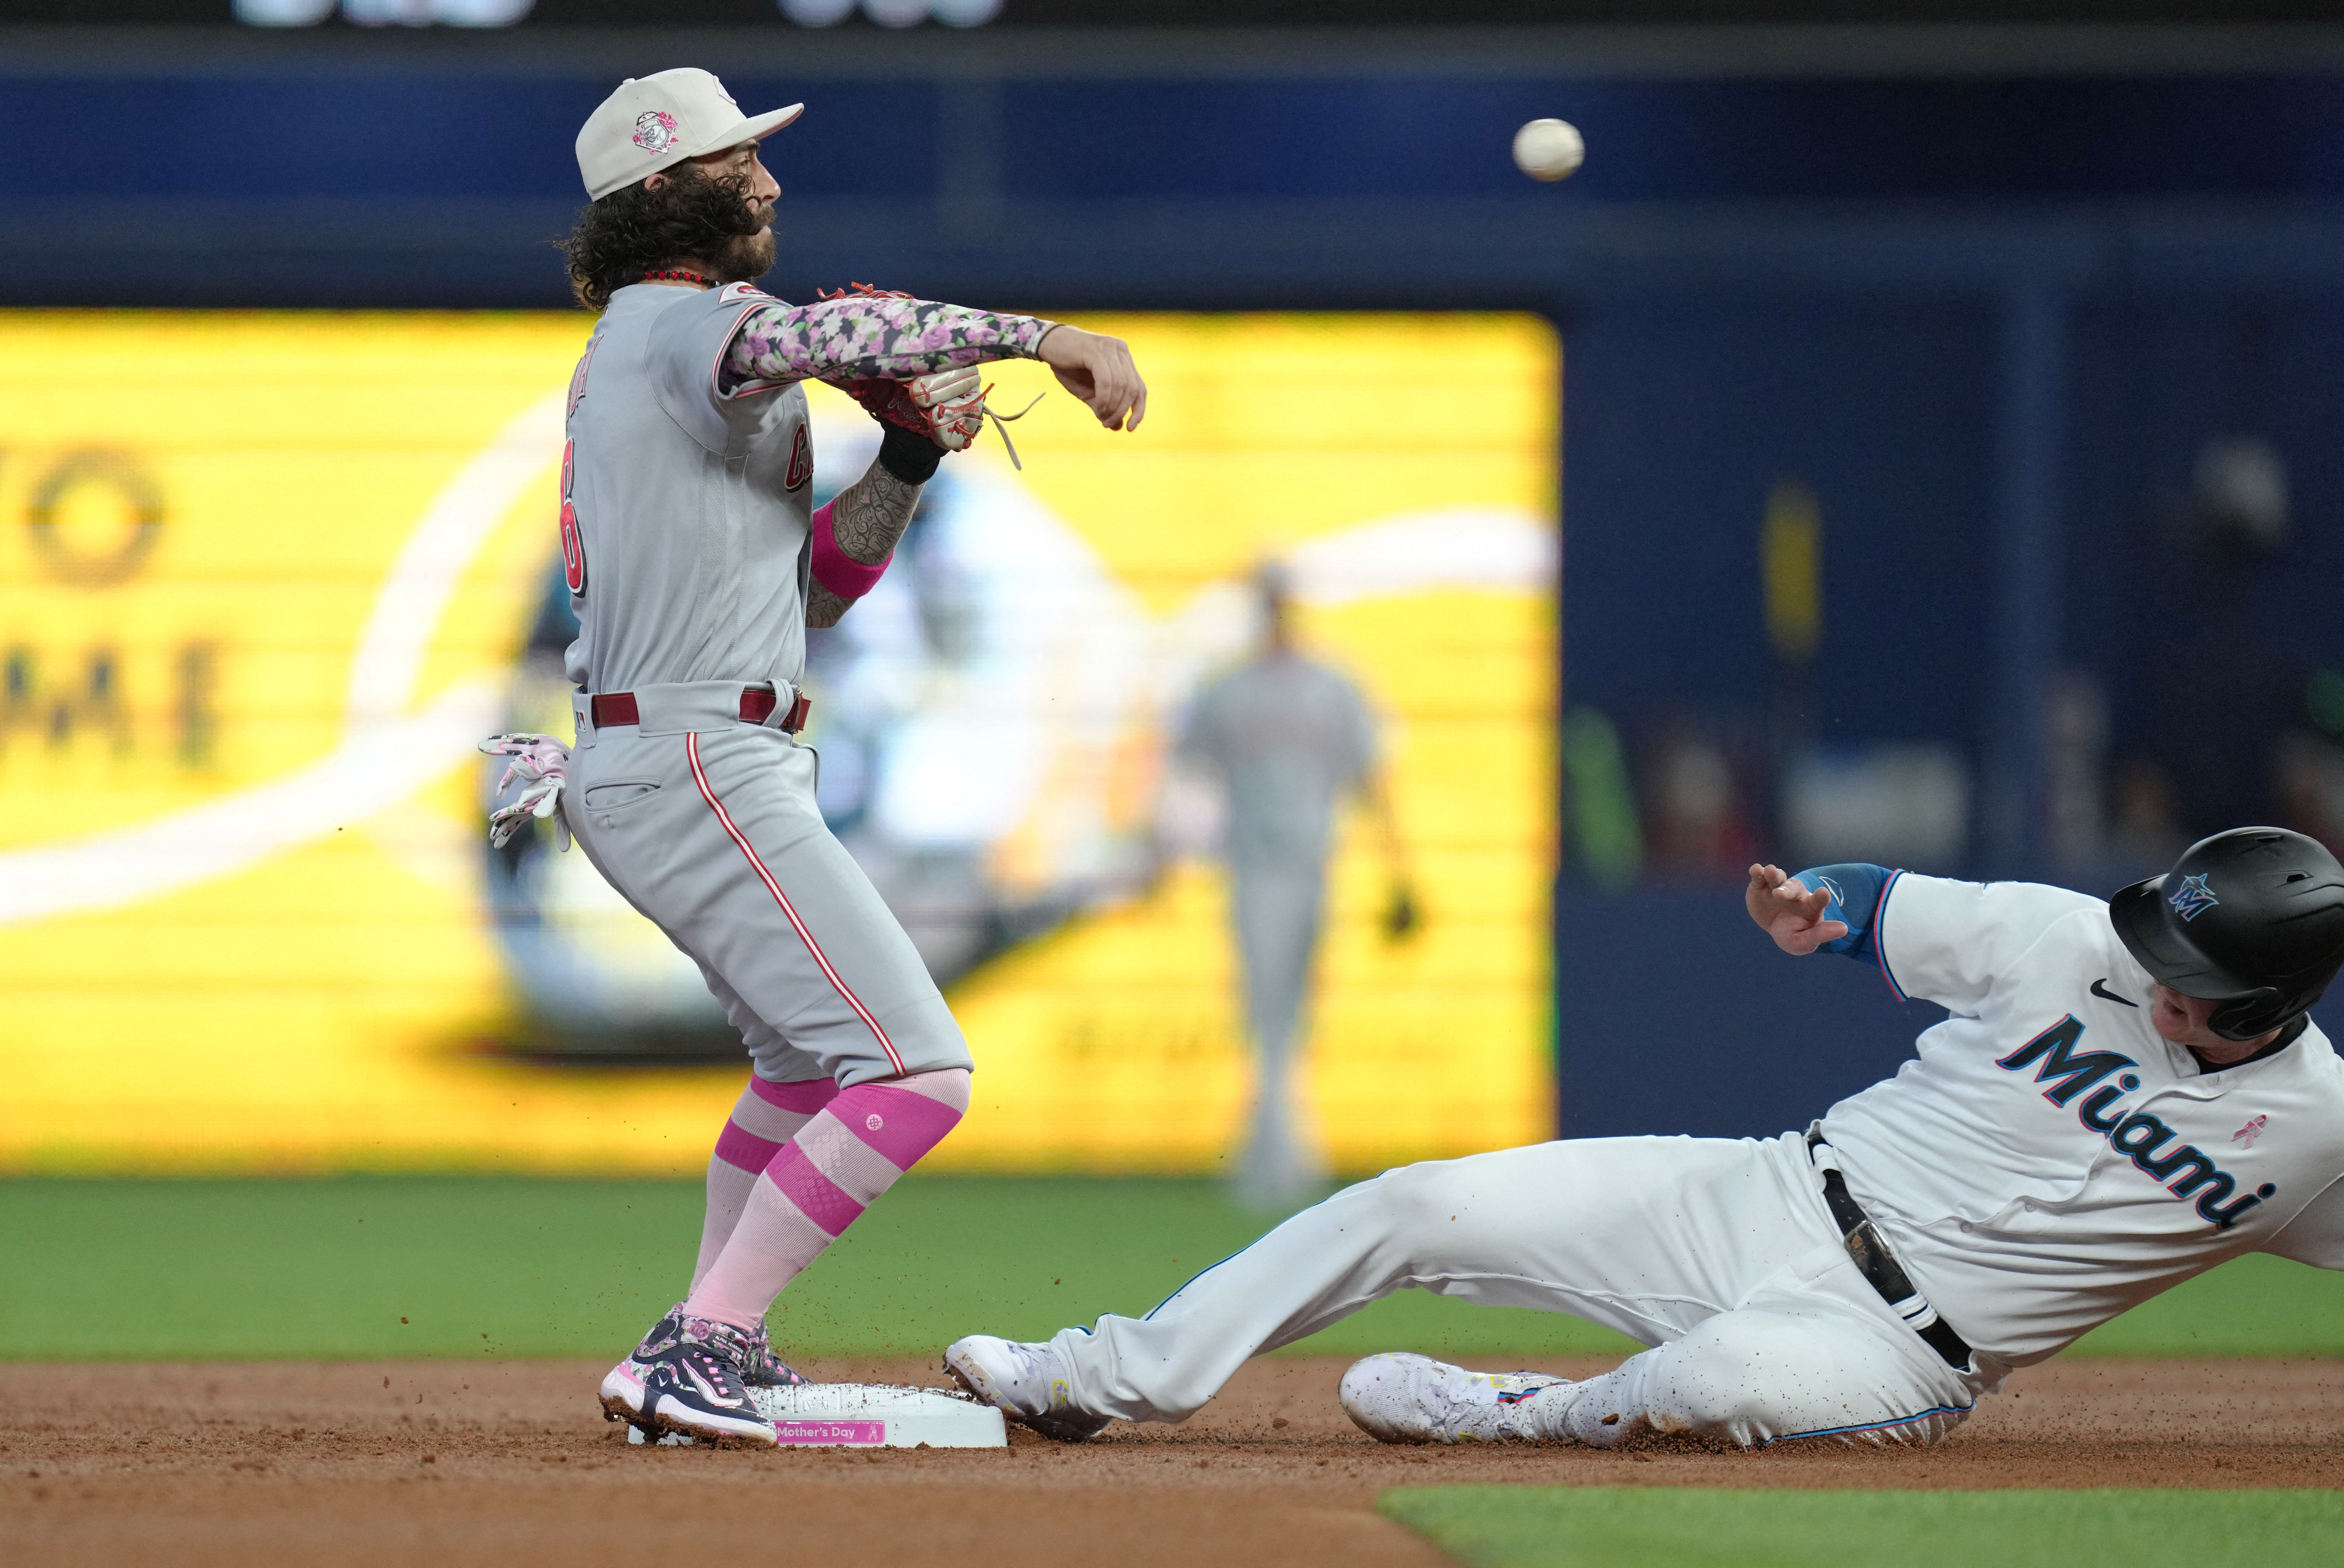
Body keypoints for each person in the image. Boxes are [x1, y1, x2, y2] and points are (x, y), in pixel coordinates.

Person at [511, 69, 1145, 1446]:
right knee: (919, 1072)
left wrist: (907, 462)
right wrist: (1044, 334)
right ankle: (705, 1342)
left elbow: (817, 595)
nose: (772, 182)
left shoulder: (662, 350)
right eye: (747, 162)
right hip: (695, 756)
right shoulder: (683, 325)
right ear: (673, 186)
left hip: (691, 741)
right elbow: (837, 327)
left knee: (806, 1074)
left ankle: (703, 1343)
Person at [942, 826, 2344, 1447]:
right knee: (1413, 1202)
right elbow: (1878, 899)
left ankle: (1515, 1416)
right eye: (2162, 932)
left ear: (2274, 1001)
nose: (2157, 967)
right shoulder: (2066, 937)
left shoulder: (2316, 1134)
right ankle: (1095, 1376)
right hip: (1761, 1191)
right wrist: (1815, 907)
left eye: (2195, 971)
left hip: (1897, 1346)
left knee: (1726, 1375)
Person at [1174, 562, 1411, 1209]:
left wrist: (1400, 871)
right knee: (1265, 1013)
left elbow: (1371, 778)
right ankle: (1280, 1162)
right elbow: (1185, 777)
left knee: (1293, 1014)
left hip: (1313, 865)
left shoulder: (1333, 687)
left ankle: (1276, 1158)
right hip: (1252, 866)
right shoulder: (1229, 690)